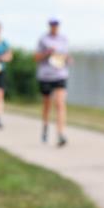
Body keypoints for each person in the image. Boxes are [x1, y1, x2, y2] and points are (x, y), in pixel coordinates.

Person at [35, 18, 70, 147]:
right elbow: (36, 57)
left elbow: (66, 56)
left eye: (56, 25)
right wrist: (47, 53)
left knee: (60, 104)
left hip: (60, 74)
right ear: (49, 26)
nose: (54, 27)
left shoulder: (64, 39)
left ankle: (60, 134)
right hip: (46, 75)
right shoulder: (43, 39)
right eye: (52, 25)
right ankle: (45, 127)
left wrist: (68, 59)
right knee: (47, 104)